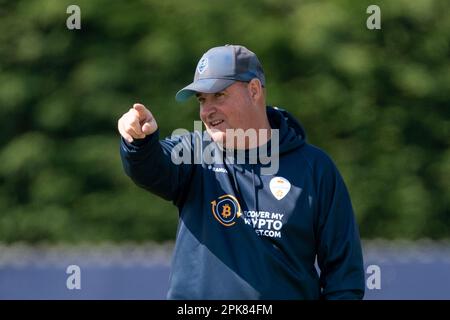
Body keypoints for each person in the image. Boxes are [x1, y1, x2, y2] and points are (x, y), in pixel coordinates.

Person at [118, 44, 365, 299]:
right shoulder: (193, 152)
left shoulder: (315, 169)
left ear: (254, 90)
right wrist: (139, 142)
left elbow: (344, 278)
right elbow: (150, 168)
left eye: (219, 96)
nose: (207, 111)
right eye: (202, 100)